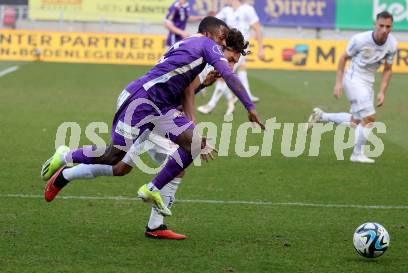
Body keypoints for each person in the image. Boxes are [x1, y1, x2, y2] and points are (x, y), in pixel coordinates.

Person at [41, 18, 264, 234]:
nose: (231, 63)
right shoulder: (208, 48)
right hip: (142, 103)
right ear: (211, 37)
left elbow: (182, 89)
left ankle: (153, 205)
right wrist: (248, 107)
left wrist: (194, 115)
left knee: (133, 164)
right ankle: (67, 157)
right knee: (114, 158)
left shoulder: (200, 52)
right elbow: (188, 91)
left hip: (160, 108)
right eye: (230, 56)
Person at [307, 11, 397, 164]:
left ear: (391, 27)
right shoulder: (360, 40)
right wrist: (338, 83)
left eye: (388, 26)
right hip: (353, 79)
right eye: (381, 25)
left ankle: (322, 116)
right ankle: (357, 154)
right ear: (375, 24)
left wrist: (382, 91)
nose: (384, 30)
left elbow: (388, 69)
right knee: (369, 118)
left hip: (368, 82)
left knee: (355, 122)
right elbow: (343, 58)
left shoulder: (392, 44)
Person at [197, 0, 264, 115]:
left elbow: (257, 28)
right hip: (227, 47)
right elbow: (214, 22)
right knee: (238, 69)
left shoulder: (247, 9)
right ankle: (235, 98)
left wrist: (260, 48)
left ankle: (211, 105)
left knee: (223, 73)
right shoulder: (227, 10)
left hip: (239, 49)